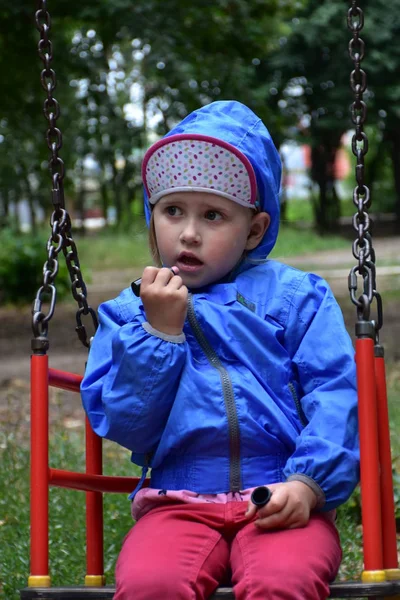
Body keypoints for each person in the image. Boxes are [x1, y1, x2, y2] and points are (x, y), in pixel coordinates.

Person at [81, 100, 359, 600]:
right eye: (172, 211)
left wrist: (308, 483)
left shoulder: (296, 298)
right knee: (151, 584)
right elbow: (126, 425)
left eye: (213, 215)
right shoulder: (129, 314)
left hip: (277, 495)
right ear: (153, 215)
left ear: (253, 228)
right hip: (176, 502)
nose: (188, 232)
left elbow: (334, 393)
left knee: (285, 581)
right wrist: (160, 334)